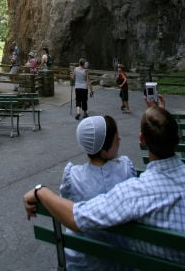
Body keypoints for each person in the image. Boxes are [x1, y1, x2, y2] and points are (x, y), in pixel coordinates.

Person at [24, 96, 185, 268]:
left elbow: (77, 218)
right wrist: (160, 116)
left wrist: (40, 190)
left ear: (142, 140)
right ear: (177, 139)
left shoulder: (135, 193)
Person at [60, 115, 136, 270]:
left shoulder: (73, 177)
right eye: (116, 138)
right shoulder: (125, 168)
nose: (120, 139)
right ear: (105, 150)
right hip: (122, 261)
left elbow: (65, 205)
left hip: (84, 262)